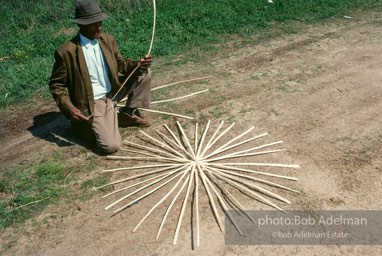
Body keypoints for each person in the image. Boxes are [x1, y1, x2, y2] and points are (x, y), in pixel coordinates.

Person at [49, 0, 152, 154]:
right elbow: (56, 86)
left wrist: (139, 64)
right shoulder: (66, 52)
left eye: (100, 21)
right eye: (93, 23)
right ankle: (83, 127)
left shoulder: (107, 40)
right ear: (81, 25)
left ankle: (126, 114)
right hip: (93, 103)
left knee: (144, 74)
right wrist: (70, 109)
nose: (99, 26)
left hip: (113, 92)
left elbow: (121, 65)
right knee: (111, 146)